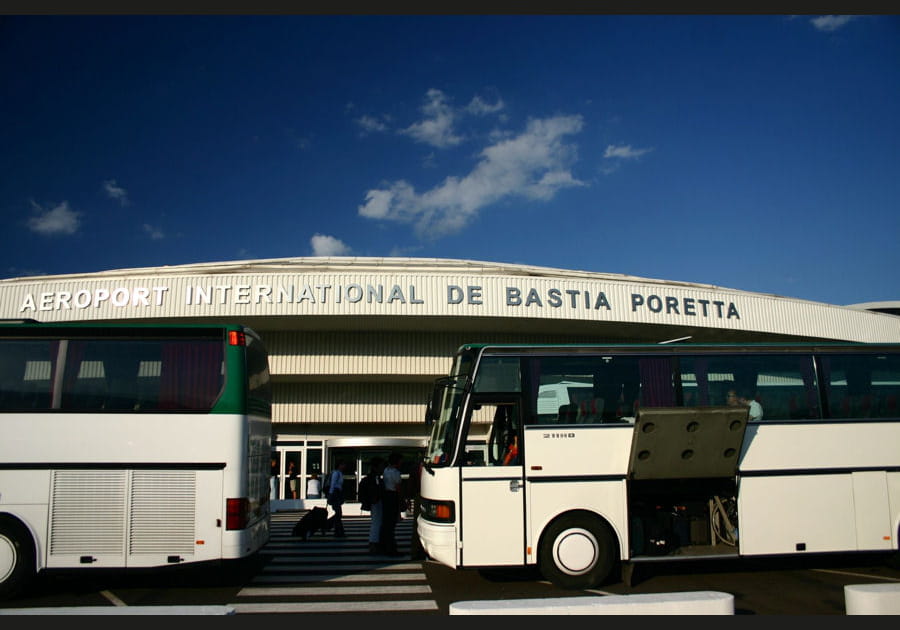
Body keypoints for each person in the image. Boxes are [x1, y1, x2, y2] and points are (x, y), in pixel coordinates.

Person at [379, 452, 404, 556]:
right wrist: (402, 501)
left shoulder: (386, 470)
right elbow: (398, 488)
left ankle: (384, 546)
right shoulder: (396, 472)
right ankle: (391, 548)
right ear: (397, 461)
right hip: (393, 496)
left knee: (386, 524)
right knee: (391, 524)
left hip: (386, 496)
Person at [359, 457, 384, 553]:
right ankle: (374, 543)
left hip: (373, 501)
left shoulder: (371, 477)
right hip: (376, 502)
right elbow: (377, 490)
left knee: (376, 522)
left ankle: (374, 542)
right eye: (381, 466)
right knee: (377, 522)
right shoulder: (375, 478)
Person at [326, 460, 347, 537]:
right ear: (339, 465)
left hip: (337, 493)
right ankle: (329, 525)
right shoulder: (336, 473)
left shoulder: (340, 473)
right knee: (338, 513)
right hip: (335, 493)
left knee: (338, 514)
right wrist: (331, 495)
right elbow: (333, 484)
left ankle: (338, 531)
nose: (344, 466)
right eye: (343, 465)